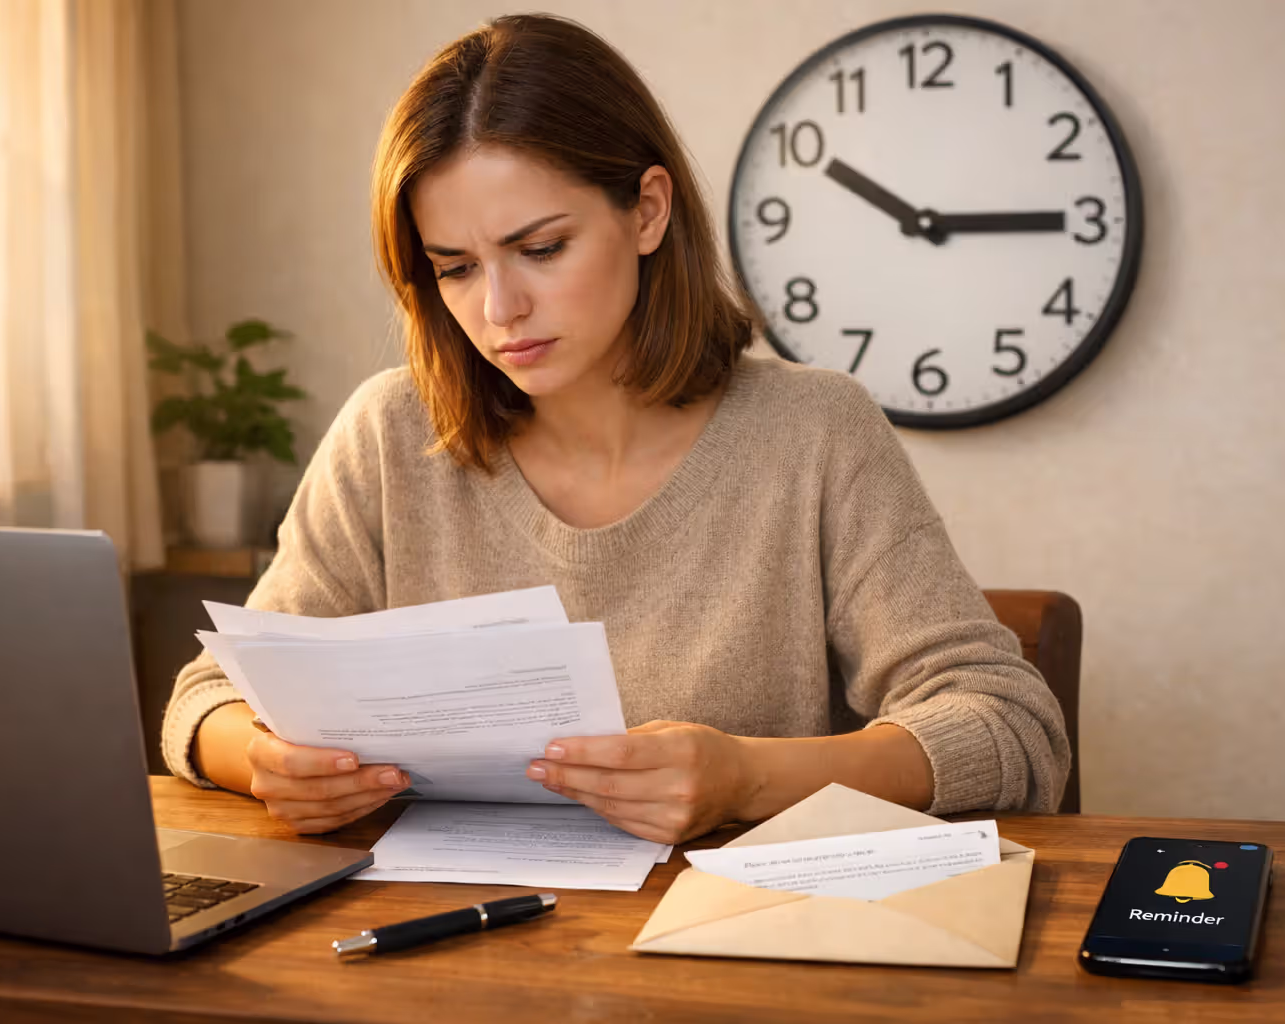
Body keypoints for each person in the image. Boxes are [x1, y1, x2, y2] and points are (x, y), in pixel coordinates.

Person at [162, 13, 1069, 845]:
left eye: (542, 248)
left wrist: (748, 776)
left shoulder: (814, 431)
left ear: (647, 211)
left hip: (730, 958)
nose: (500, 308)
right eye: (455, 268)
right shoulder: (391, 434)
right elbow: (207, 700)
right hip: (444, 954)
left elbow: (1010, 726)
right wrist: (264, 762)